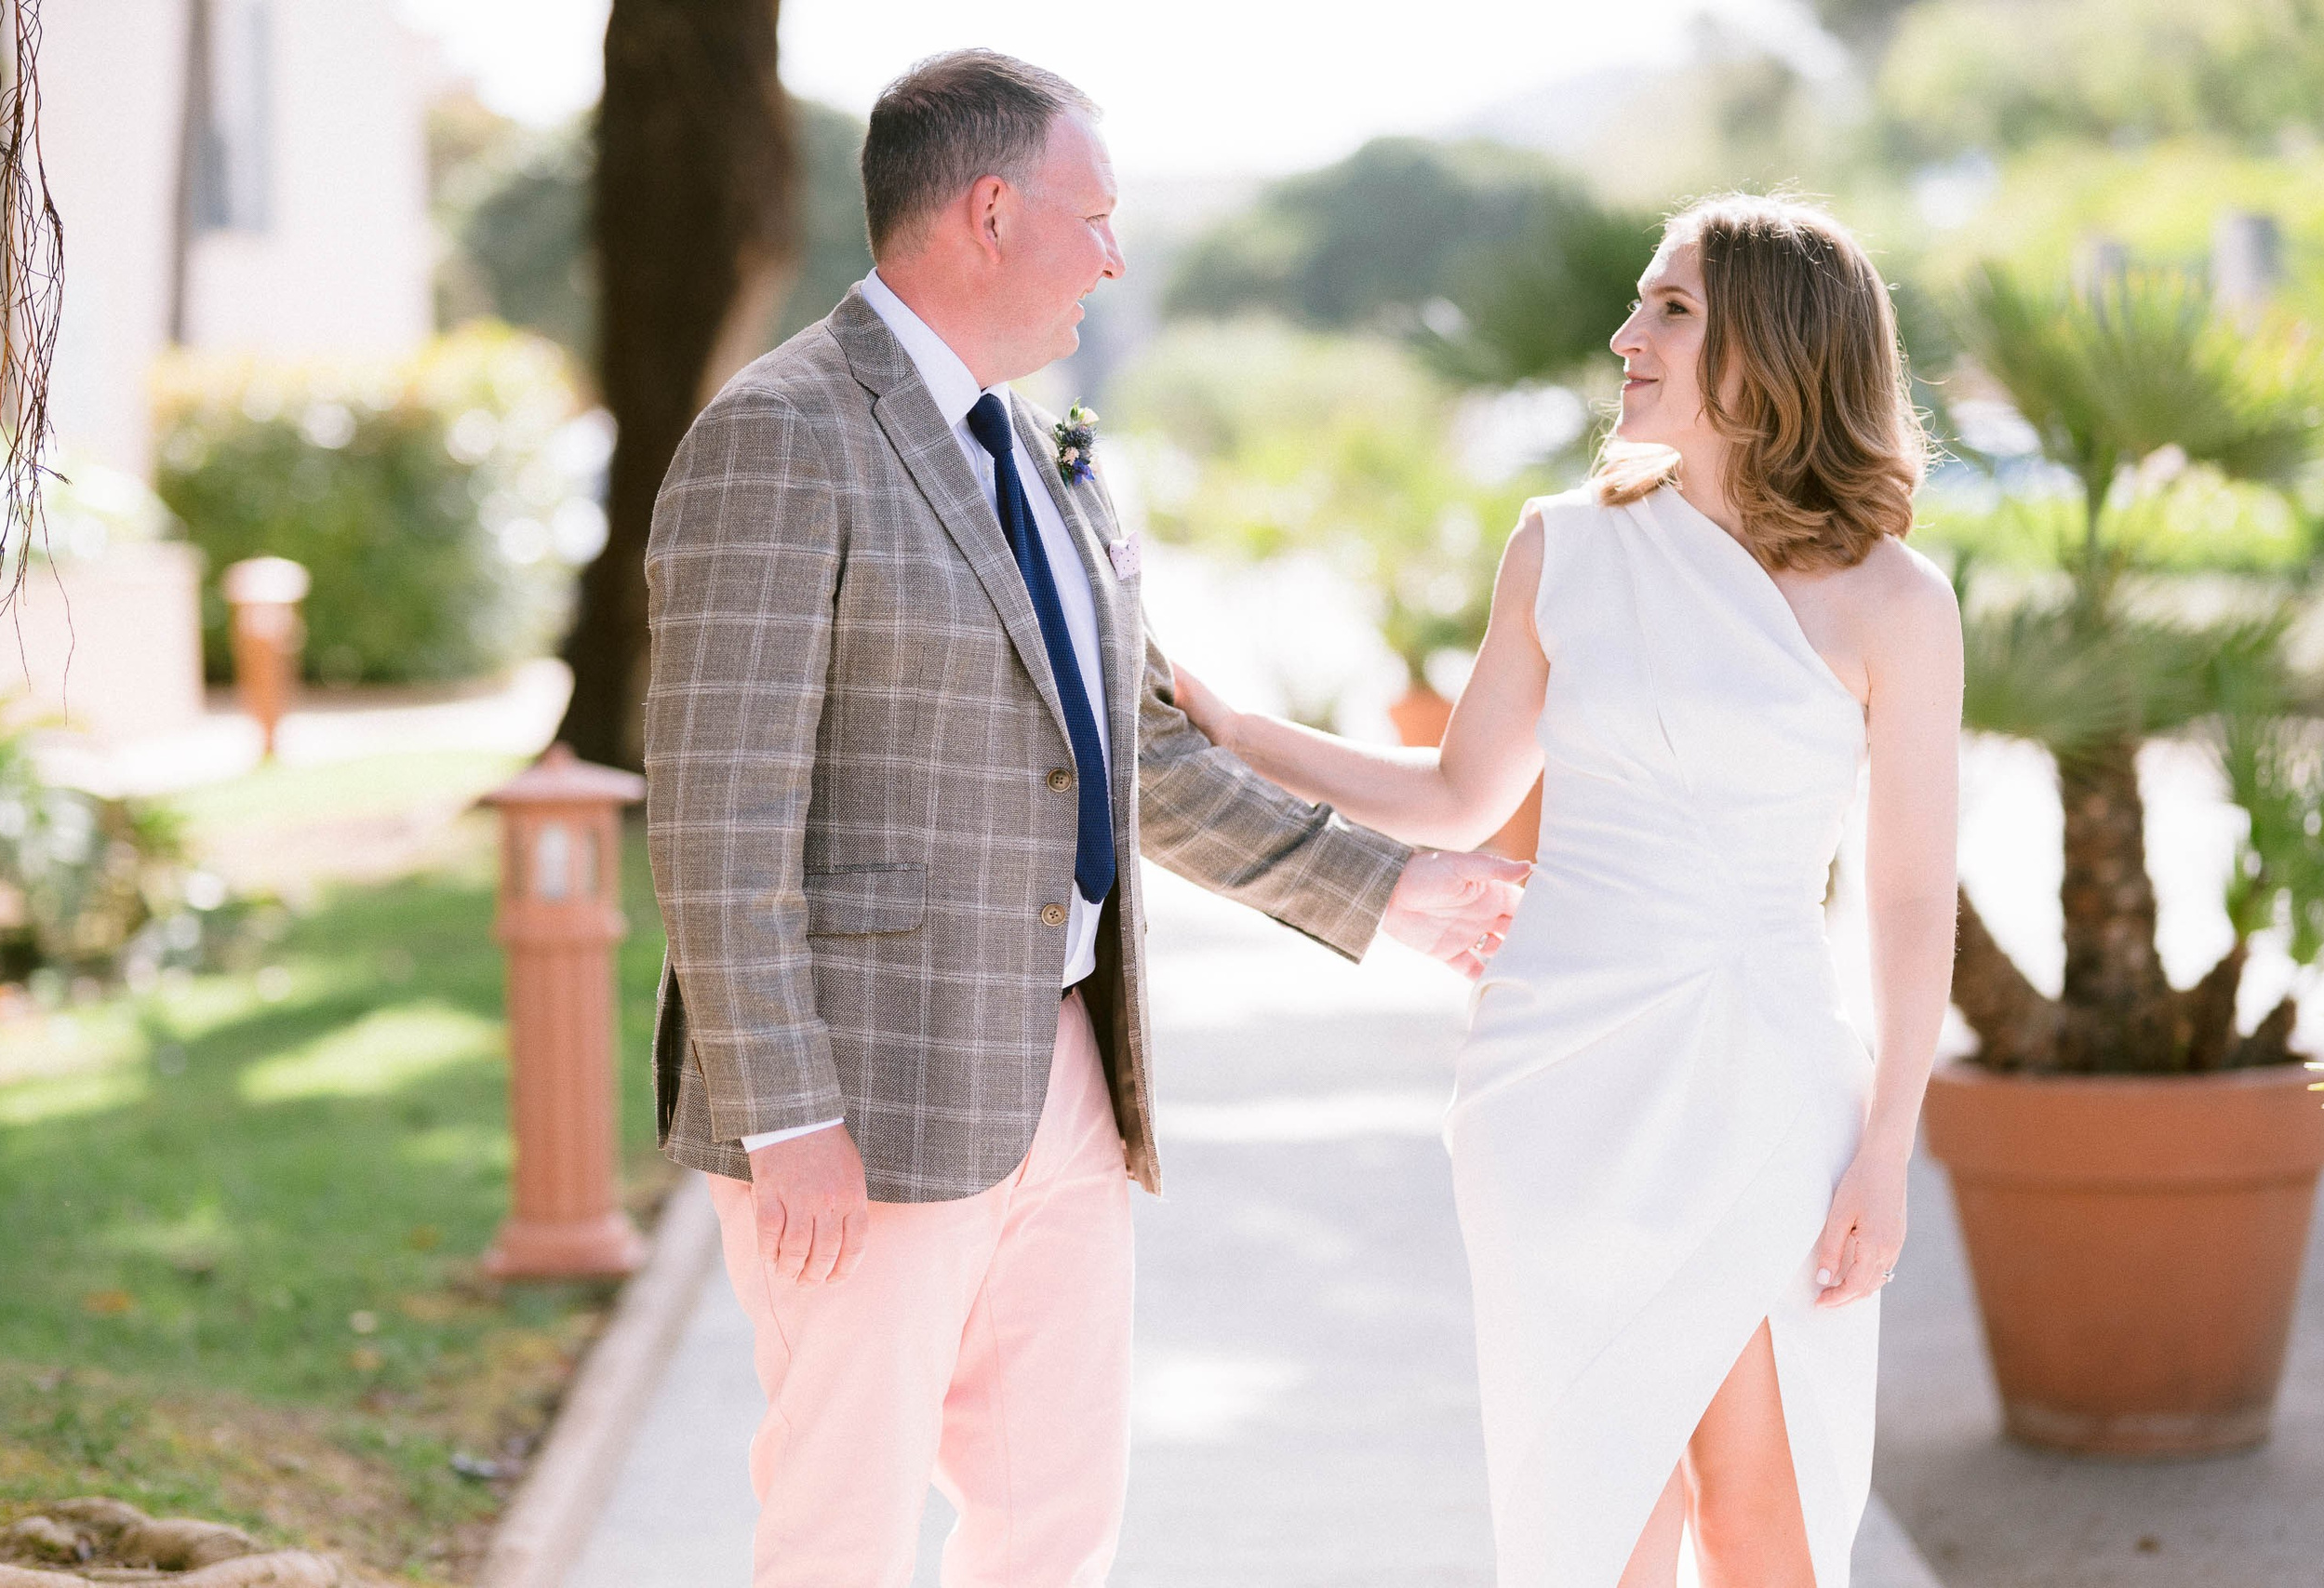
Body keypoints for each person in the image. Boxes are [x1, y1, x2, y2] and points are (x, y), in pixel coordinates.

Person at [641, 48, 1527, 1588]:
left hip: (1065, 1066)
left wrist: (1388, 891)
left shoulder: (1048, 455)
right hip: (861, 1093)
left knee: (1055, 1521)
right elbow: (721, 815)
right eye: (1096, 215)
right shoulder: (780, 432)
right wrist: (788, 1119)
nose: (1114, 255)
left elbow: (1133, 761)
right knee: (844, 1528)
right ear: (991, 211)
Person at [1172, 193, 1962, 1587]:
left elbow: (1908, 900)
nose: (1624, 336)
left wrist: (1886, 1150)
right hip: (1558, 1077)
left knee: (1765, 1524)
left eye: (1671, 309)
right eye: (1641, 303)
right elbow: (1455, 795)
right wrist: (1238, 732)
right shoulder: (1563, 544)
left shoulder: (1895, 603)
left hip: (1765, 1081)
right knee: (1595, 1524)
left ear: (1776, 345)